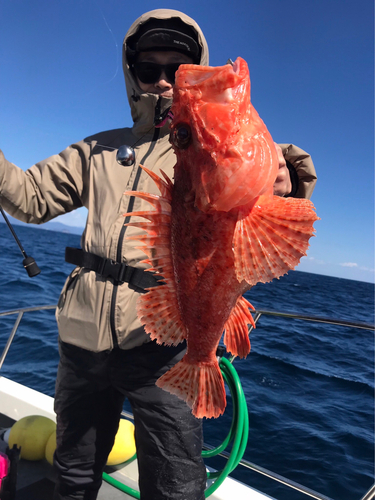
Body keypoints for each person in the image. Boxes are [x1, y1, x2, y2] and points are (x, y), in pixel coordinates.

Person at [0, 8, 317, 500]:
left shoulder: (207, 144)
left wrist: (290, 180)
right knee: (74, 471)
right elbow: (29, 197)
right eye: (150, 69)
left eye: (176, 69)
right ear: (133, 76)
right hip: (82, 337)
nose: (164, 81)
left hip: (160, 348)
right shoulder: (96, 151)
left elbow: (272, 174)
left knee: (174, 484)